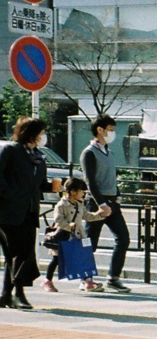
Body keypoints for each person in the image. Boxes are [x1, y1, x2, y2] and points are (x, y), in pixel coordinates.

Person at [0, 118, 60, 309]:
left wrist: (53, 187)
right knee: (20, 253)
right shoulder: (11, 149)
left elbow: (39, 184)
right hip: (8, 210)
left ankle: (6, 295)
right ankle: (18, 294)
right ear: (30, 133)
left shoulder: (38, 156)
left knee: (18, 253)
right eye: (41, 132)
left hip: (29, 210)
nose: (44, 136)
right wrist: (11, 195)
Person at [80, 114, 131, 293]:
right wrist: (101, 204)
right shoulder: (89, 152)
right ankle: (85, 278)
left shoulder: (108, 151)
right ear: (100, 130)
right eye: (110, 130)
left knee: (123, 239)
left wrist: (117, 197)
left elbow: (111, 177)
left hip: (112, 202)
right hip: (97, 203)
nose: (112, 133)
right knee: (90, 242)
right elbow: (90, 181)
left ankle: (113, 278)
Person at [43, 177, 111, 292]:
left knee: (83, 257)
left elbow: (87, 216)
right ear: (73, 191)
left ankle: (87, 281)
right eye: (81, 191)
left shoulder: (79, 205)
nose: (83, 194)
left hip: (78, 236)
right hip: (63, 236)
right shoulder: (61, 205)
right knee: (57, 259)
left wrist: (100, 215)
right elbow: (58, 220)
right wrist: (68, 225)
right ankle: (47, 281)